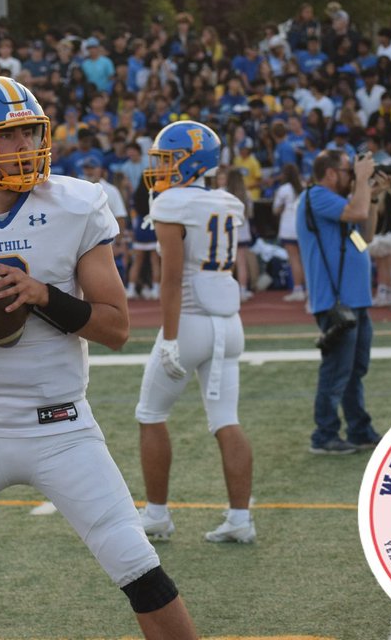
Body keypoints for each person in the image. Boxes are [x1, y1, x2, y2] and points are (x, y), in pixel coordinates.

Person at [0, 76, 197, 639]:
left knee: (139, 568)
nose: (26, 145)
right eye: (8, 136)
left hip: (62, 425)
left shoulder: (75, 205)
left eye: (31, 131)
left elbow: (116, 328)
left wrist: (44, 297)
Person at [134, 120, 255, 545]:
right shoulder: (227, 201)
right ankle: (240, 519)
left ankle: (156, 515)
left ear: (191, 162)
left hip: (188, 321)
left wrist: (169, 339)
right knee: (226, 420)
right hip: (229, 323)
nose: (161, 168)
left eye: (169, 160)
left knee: (151, 415)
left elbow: (170, 279)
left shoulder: (172, 203)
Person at [295, 149, 386, 455]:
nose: (352, 177)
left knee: (354, 370)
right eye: (349, 171)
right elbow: (357, 213)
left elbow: (365, 237)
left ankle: (359, 429)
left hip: (355, 300)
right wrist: (362, 181)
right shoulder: (317, 196)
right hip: (335, 302)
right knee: (336, 372)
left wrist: (373, 197)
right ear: (331, 173)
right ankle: (324, 435)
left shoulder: (341, 205)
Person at [273, 163, 306, 302]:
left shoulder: (283, 189)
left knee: (294, 259)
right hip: (302, 227)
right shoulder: (304, 187)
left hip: (288, 228)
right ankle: (309, 289)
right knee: (305, 260)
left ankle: (298, 289)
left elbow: (275, 210)